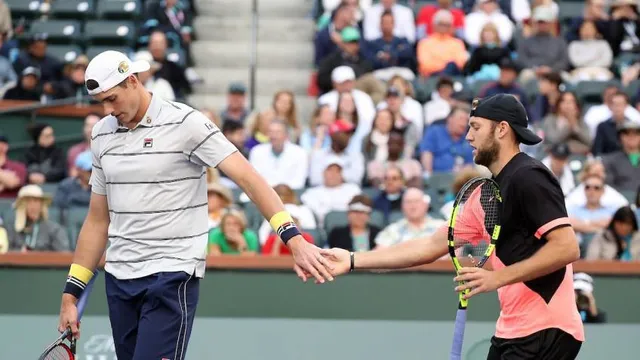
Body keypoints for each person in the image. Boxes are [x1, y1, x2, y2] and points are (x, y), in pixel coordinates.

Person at [56, 51, 334, 360]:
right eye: (101, 102)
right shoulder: (101, 134)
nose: (107, 110)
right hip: (119, 280)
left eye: (112, 99)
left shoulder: (187, 122)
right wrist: (71, 295)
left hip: (171, 275)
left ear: (132, 81)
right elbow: (97, 220)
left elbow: (248, 178)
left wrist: (291, 236)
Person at [319, 94, 584, 359]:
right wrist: (353, 259)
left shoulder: (530, 176)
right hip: (511, 332)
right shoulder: (485, 195)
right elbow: (429, 245)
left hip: (547, 330)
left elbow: (567, 247)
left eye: (476, 127)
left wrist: (497, 278)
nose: (469, 136)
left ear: (502, 129)